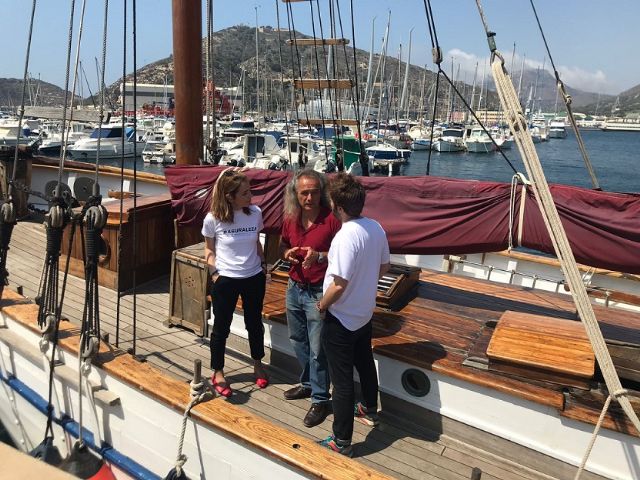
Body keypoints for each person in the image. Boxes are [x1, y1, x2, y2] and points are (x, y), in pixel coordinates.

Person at [316, 173, 390, 456]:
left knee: (342, 380)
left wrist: (322, 306)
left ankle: (341, 441)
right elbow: (383, 266)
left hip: (342, 318)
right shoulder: (375, 227)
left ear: (336, 204)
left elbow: (339, 284)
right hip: (363, 313)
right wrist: (365, 283)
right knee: (365, 362)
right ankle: (369, 406)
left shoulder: (345, 237)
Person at [280, 169, 341, 427]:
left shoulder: (331, 221)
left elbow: (342, 255)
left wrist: (320, 256)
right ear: (296, 194)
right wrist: (287, 254)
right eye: (304, 192)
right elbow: (282, 245)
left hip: (318, 290)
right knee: (297, 339)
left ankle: (320, 398)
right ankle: (308, 383)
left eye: (314, 192)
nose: (309, 197)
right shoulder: (291, 220)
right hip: (295, 287)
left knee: (318, 350)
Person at [202, 169, 269, 398]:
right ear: (229, 196)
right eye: (245, 193)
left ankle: (258, 363)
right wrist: (215, 274)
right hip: (226, 279)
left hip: (253, 277)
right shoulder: (213, 219)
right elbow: (209, 250)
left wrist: (262, 265)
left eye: (249, 191)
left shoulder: (255, 213)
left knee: (254, 323)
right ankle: (218, 371)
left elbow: (257, 243)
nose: (250, 196)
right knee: (221, 327)